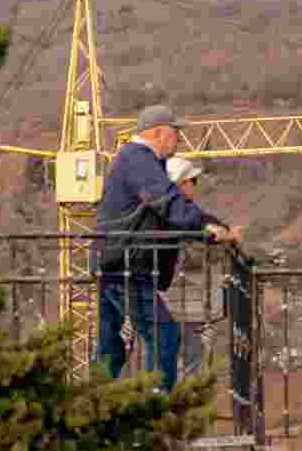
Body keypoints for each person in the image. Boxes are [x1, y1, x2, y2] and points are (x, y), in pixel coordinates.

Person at [93, 105, 232, 392]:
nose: (178, 138)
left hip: (115, 262)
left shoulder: (136, 159)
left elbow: (167, 207)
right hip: (127, 265)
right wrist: (205, 228)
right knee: (163, 335)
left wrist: (211, 226)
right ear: (158, 133)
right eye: (175, 132)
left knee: (111, 347)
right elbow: (167, 202)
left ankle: (91, 406)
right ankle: (154, 406)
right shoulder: (139, 159)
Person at [163, 157, 242, 378]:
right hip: (191, 299)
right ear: (182, 184)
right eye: (193, 181)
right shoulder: (186, 215)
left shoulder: (162, 213)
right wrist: (225, 235)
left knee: (165, 356)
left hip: (171, 299)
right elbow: (210, 234)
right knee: (191, 362)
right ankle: (184, 396)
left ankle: (163, 394)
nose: (194, 186)